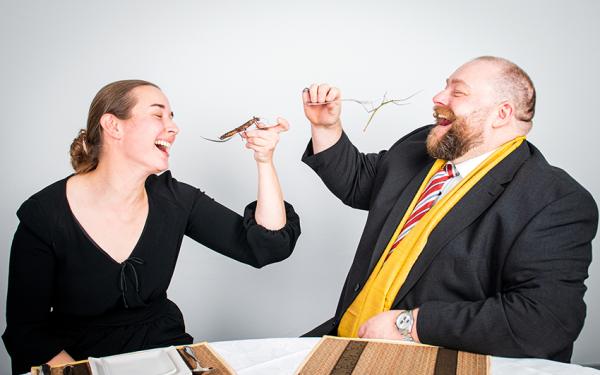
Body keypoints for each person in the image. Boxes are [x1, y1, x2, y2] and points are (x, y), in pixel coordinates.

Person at [300, 56, 597, 362]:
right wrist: (326, 127)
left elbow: (544, 319)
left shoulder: (556, 200)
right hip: (348, 339)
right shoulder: (423, 146)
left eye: (458, 92)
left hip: (444, 359)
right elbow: (360, 182)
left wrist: (411, 324)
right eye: (445, 87)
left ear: (502, 113)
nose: (438, 98)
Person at [3, 80, 301, 374]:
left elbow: (266, 247)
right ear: (113, 126)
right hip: (76, 364)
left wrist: (264, 161)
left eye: (172, 116)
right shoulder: (44, 214)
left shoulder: (176, 199)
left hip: (163, 357)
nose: (173, 127)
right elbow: (27, 332)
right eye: (158, 114)